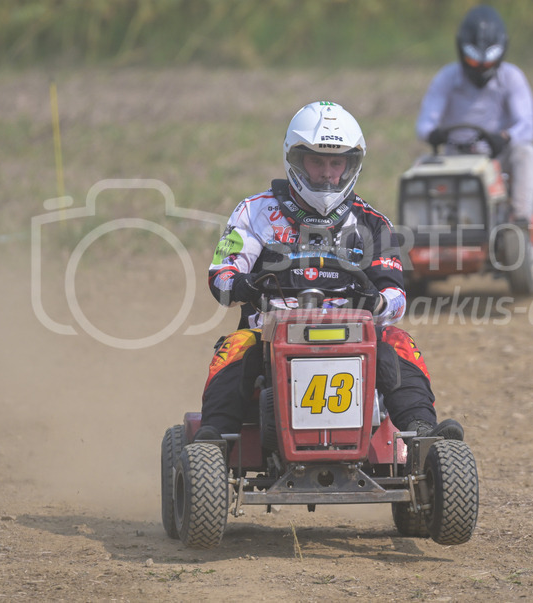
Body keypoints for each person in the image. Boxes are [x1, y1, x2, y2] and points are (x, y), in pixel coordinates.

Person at [196, 101, 463, 444]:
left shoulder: (372, 223)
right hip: (271, 335)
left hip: (352, 336)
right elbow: (222, 275)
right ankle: (215, 441)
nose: (326, 173)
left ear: (351, 165)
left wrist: (377, 302)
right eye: (316, 161)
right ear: (295, 159)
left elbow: (396, 296)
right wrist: (242, 285)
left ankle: (424, 435)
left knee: (396, 342)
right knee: (236, 346)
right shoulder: (255, 212)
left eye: (336, 162)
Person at [415, 4, 533, 225]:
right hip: (455, 156)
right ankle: (419, 231)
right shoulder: (446, 78)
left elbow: (526, 125)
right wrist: (435, 134)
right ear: (463, 53)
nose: (481, 69)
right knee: (418, 170)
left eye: (488, 63)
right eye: (474, 62)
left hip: (497, 156)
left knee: (526, 153)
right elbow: (425, 124)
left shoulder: (511, 77)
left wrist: (505, 138)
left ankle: (520, 220)